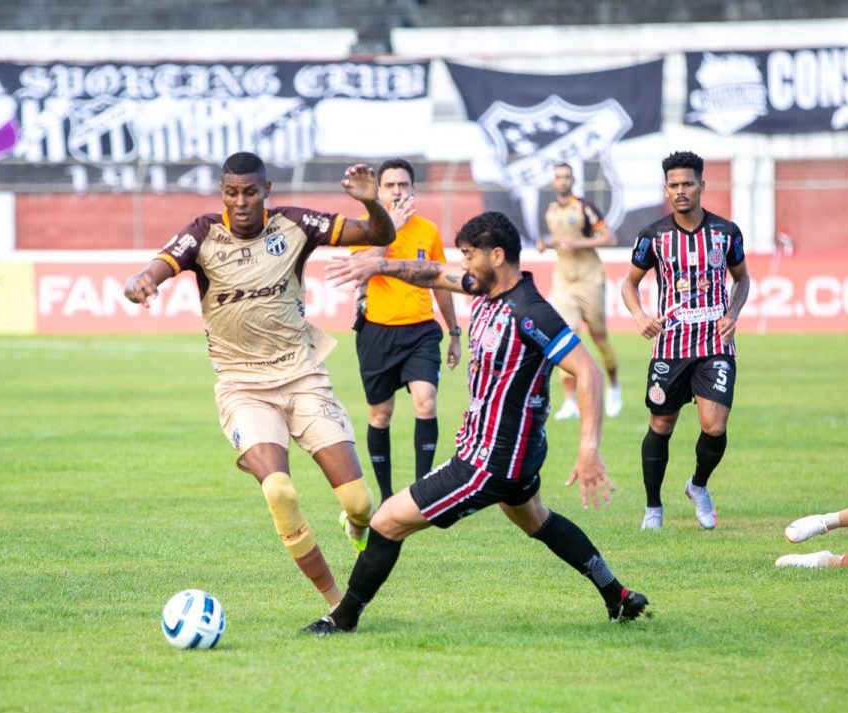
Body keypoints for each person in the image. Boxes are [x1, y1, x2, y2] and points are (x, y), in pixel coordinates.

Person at [301, 211, 650, 635]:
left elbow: (588, 371)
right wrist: (380, 265)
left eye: (468, 256)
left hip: (490, 461)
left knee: (387, 521)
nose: (462, 265)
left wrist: (588, 449)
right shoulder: (484, 289)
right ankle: (617, 595)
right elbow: (433, 273)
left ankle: (343, 618)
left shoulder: (531, 312)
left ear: (497, 255)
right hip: (513, 452)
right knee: (535, 518)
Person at [123, 151, 395, 612]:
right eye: (232, 192)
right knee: (279, 491)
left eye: (250, 192)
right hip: (243, 386)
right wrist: (141, 281)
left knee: (361, 502)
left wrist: (372, 204)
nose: (241, 201)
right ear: (222, 193)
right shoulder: (202, 233)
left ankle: (355, 525)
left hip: (304, 376)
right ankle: (336, 603)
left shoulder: (294, 224)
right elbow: (157, 267)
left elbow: (379, 234)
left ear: (266, 190)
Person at [621, 151, 751, 531]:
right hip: (670, 347)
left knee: (715, 426)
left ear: (701, 186)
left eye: (688, 184)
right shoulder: (653, 237)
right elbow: (629, 283)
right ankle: (653, 508)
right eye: (674, 185)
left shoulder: (726, 233)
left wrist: (733, 313)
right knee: (661, 425)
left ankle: (698, 485)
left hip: (715, 345)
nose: (681, 191)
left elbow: (742, 278)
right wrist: (641, 316)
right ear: (666, 188)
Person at [349, 158, 462, 504]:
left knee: (425, 403)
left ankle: (422, 493)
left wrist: (454, 332)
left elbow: (440, 282)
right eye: (390, 185)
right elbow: (361, 272)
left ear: (413, 189)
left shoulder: (428, 231)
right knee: (380, 414)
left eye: (403, 185)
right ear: (378, 191)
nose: (397, 191)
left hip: (421, 332)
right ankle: (386, 497)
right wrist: (390, 228)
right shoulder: (364, 228)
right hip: (377, 333)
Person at [535, 162, 622, 419]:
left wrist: (579, 242)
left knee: (599, 336)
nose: (562, 181)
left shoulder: (584, 207)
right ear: (553, 182)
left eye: (566, 177)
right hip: (564, 281)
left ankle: (614, 385)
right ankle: (570, 402)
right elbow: (562, 243)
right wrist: (547, 245)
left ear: (573, 180)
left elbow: (609, 238)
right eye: (558, 177)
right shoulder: (550, 212)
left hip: (590, 279)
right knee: (566, 336)